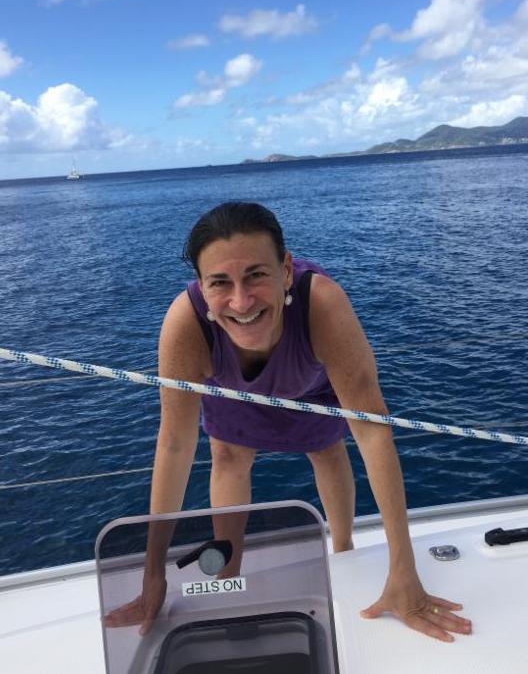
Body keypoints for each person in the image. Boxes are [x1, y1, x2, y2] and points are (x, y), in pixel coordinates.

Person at [106, 201, 471, 642]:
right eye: (220, 283)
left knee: (327, 448)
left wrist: (404, 572)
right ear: (202, 287)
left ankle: (343, 551)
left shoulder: (322, 305)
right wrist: (153, 576)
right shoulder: (186, 325)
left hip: (310, 384)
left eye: (256, 275)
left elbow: (373, 433)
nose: (241, 301)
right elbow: (174, 446)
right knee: (228, 456)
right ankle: (227, 574)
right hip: (231, 384)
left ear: (285, 271)